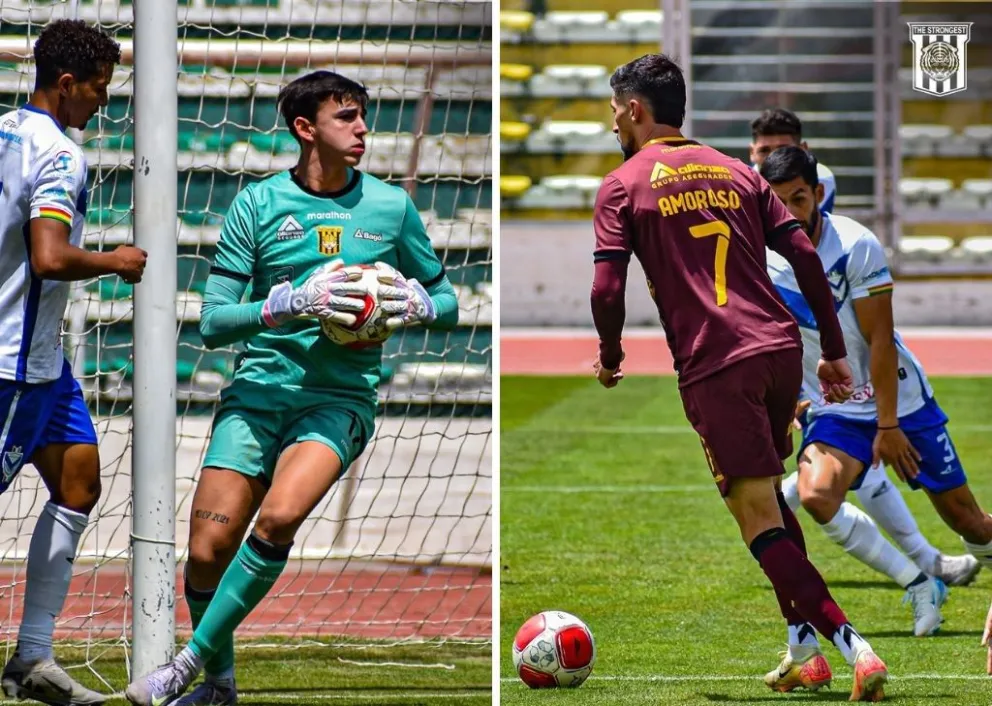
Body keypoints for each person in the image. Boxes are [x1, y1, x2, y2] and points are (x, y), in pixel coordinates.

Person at [123, 70, 459, 706]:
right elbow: (213, 322)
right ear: (306, 128)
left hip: (338, 401)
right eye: (346, 117)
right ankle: (220, 687)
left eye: (363, 116)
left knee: (278, 518)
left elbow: (448, 302)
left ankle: (185, 665)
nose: (362, 129)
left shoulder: (391, 207)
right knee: (206, 551)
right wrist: (283, 305)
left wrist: (420, 303)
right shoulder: (257, 204)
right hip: (256, 395)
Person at [590, 54, 887, 701]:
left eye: (614, 111)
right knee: (771, 498)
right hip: (780, 350)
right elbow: (803, 253)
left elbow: (607, 288)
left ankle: (854, 647)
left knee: (754, 514)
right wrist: (834, 351)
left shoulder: (622, 184)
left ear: (635, 110)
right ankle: (804, 651)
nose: (613, 123)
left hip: (717, 361)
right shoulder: (738, 171)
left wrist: (610, 355)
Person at [762, 145, 992, 634]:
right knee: (817, 494)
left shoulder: (854, 245)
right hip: (837, 407)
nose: (789, 214)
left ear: (817, 194)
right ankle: (920, 583)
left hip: (899, 400)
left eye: (798, 199)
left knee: (967, 521)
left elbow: (880, 340)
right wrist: (791, 398)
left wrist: (888, 425)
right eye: (777, 203)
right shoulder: (759, 258)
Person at [0, 19, 147, 706]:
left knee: (79, 480)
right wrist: (116, 261)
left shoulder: (5, 130)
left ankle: (33, 657)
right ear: (65, 84)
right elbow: (50, 257)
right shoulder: (61, 154)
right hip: (14, 362)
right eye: (98, 88)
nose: (103, 102)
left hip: (47, 363)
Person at [749, 108, 836, 213]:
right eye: (764, 151)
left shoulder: (822, 178)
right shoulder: (739, 184)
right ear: (752, 152)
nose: (773, 158)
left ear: (803, 149)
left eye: (783, 150)